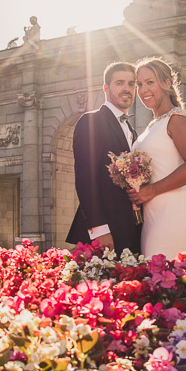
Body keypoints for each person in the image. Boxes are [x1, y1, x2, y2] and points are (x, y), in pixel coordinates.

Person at [127, 57, 186, 260]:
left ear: (167, 83)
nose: (144, 90)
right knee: (156, 281)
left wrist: (150, 191)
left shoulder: (177, 119)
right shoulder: (154, 124)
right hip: (152, 214)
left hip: (173, 213)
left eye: (150, 82)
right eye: (140, 84)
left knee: (163, 280)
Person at [66, 62, 141, 255]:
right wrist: (99, 229)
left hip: (131, 229)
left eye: (131, 84)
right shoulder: (91, 121)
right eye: (120, 83)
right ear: (106, 88)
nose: (127, 88)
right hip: (105, 232)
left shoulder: (132, 130)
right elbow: (85, 178)